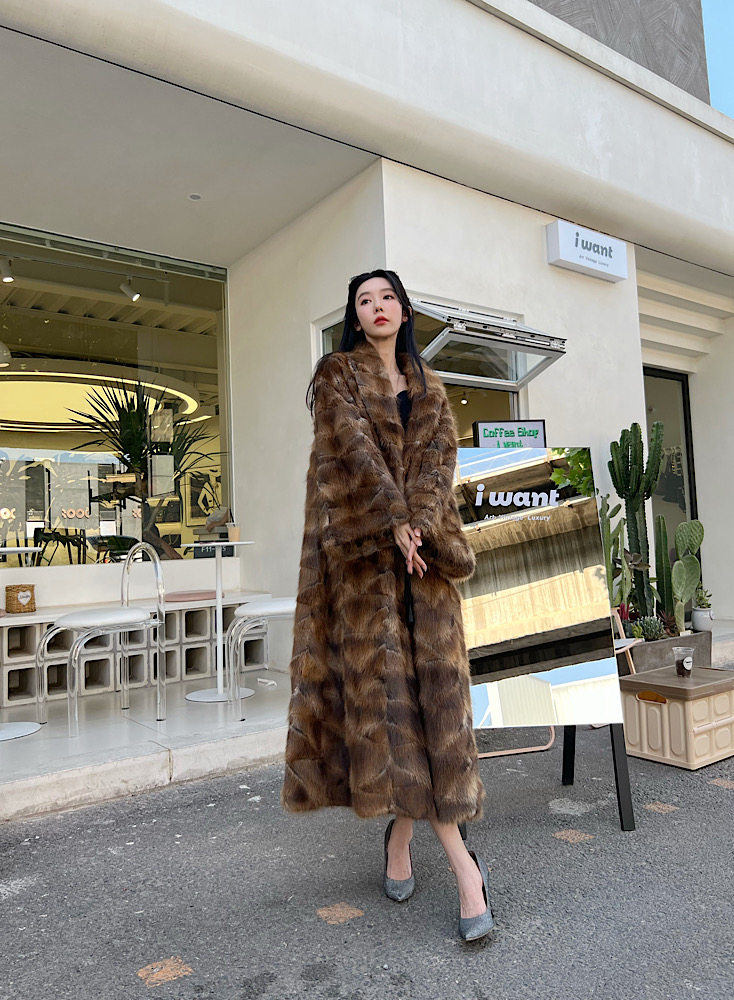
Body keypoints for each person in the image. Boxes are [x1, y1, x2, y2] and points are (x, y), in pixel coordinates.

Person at [281, 269, 493, 941]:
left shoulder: (431, 388)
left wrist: (420, 526)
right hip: (366, 570)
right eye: (364, 300)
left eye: (387, 297)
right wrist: (393, 522)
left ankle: (400, 841)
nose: (377, 307)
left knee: (438, 715)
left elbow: (440, 462)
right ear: (355, 316)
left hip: (426, 567)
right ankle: (466, 873)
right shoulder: (337, 374)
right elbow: (351, 454)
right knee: (397, 716)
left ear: (404, 310)